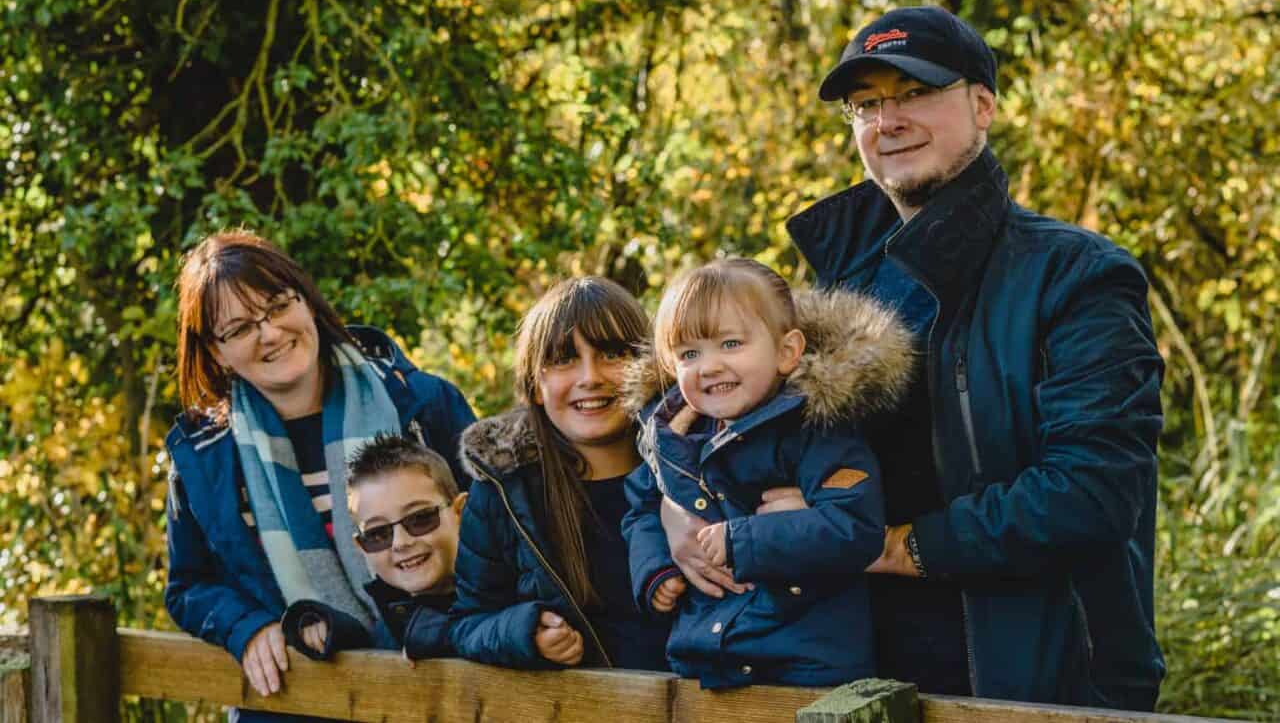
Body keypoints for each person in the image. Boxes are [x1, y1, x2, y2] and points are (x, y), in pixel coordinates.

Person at [661, 6, 1165, 709]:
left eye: (916, 93)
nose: (888, 119)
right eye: (867, 104)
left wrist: (882, 545)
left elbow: (1092, 496)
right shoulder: (828, 286)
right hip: (848, 674)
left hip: (1028, 676)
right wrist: (680, 514)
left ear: (983, 105)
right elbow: (717, 423)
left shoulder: (1076, 276)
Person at [164, 230, 476, 722]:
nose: (269, 333)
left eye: (276, 306)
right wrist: (247, 625)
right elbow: (188, 585)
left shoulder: (421, 404)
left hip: (437, 683)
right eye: (241, 328)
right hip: (295, 700)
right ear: (216, 350)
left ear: (305, 300)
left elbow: (499, 529)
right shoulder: (205, 459)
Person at [622, 258, 912, 688]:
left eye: (731, 344)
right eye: (689, 354)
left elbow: (855, 526)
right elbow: (641, 509)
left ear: (786, 352)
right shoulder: (674, 437)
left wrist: (741, 540)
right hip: (705, 660)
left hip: (805, 664)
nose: (710, 365)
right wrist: (655, 570)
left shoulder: (816, 429)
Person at [449, 277, 671, 671]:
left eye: (612, 353)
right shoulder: (504, 493)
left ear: (650, 367)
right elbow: (468, 623)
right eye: (564, 359)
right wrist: (524, 631)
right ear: (536, 386)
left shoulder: (699, 466)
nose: (590, 377)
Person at [281, 433, 466, 661]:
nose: (401, 543)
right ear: (360, 546)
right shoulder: (389, 623)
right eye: (378, 534)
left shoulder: (509, 590)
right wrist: (330, 631)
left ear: (461, 512)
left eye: (420, 518)